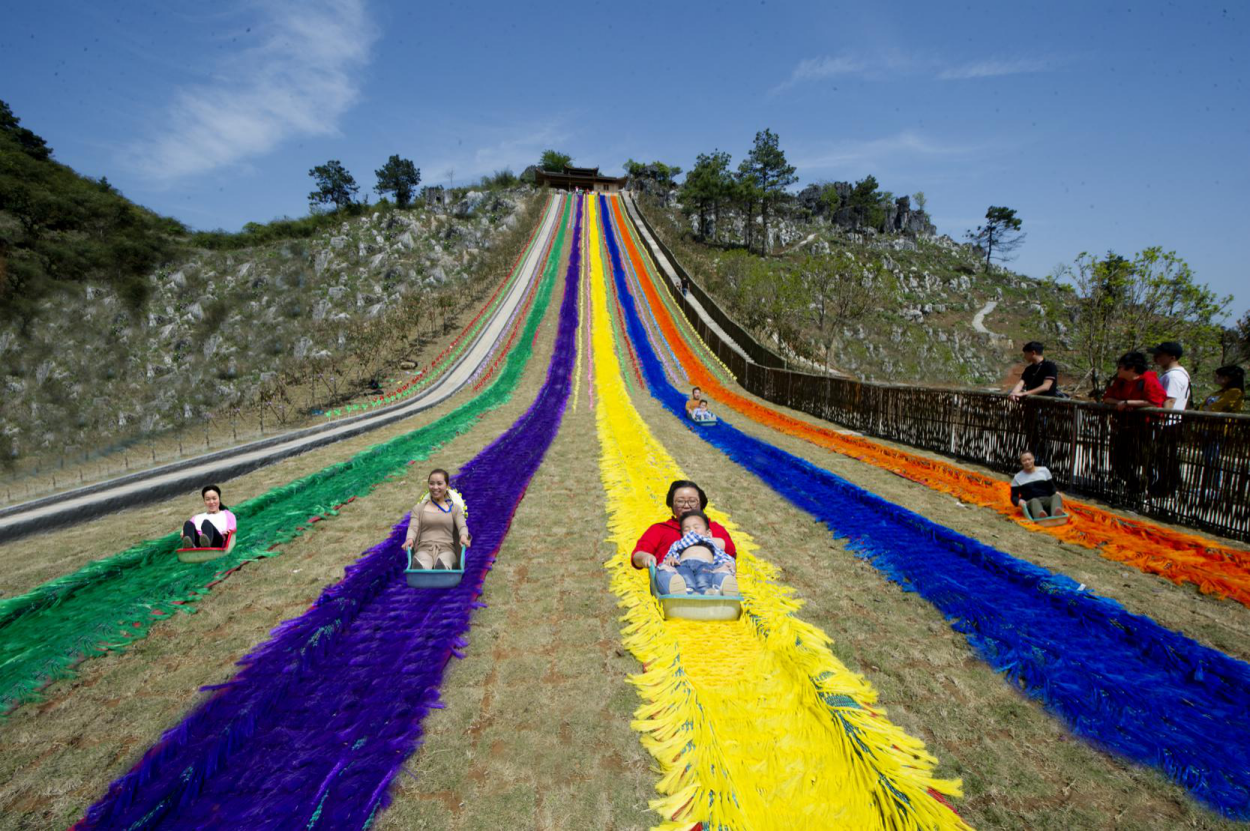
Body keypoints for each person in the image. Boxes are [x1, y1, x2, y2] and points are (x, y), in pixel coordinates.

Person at [632, 480, 737, 570]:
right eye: (680, 501)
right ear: (672, 505)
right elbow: (638, 555)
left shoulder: (713, 527)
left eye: (692, 501)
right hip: (671, 582)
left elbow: (730, 549)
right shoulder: (659, 529)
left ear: (701, 504)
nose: (686, 506)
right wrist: (645, 557)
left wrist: (698, 541)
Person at [1102, 351, 1167, 493]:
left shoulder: (1149, 381)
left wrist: (1128, 402)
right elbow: (1107, 397)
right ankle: (1132, 483)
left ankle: (1144, 487)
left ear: (1131, 368)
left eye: (1120, 366)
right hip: (1123, 426)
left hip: (1144, 427)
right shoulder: (1120, 382)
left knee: (1142, 459)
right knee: (1120, 459)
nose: (1118, 369)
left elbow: (1155, 402)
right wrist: (1121, 402)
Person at [654, 510, 739, 596]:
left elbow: (722, 556)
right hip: (682, 566)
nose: (691, 531)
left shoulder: (711, 543)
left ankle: (713, 591)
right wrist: (670, 559)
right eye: (686, 529)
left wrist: (729, 565)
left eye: (696, 527)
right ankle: (682, 591)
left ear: (708, 533)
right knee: (665, 570)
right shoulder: (679, 543)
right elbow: (671, 555)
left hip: (706, 567)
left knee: (707, 579)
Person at [403, 468, 471, 569]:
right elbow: (413, 527)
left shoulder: (454, 508)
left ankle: (443, 568)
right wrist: (409, 539)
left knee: (444, 561)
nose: (435, 487)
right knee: (422, 561)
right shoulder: (418, 509)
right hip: (424, 549)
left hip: (446, 549)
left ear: (447, 485)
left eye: (439, 483)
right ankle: (421, 568)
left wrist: (463, 536)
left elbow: (462, 526)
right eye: (432, 483)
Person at [1147, 341, 1189, 497]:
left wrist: (1161, 423)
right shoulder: (1177, 374)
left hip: (1167, 423)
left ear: (1172, 357)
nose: (1156, 357)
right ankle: (1167, 485)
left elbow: (1169, 401)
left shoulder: (1174, 376)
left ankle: (1166, 487)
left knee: (1164, 457)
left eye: (1160, 355)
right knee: (1166, 457)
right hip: (1172, 422)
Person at [1010, 452, 1063, 518]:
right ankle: (1040, 516)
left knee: (1056, 496)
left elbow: (1052, 487)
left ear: (1034, 459)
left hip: (1046, 500)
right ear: (1021, 462)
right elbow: (1013, 497)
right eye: (1024, 460)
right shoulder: (1017, 477)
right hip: (1031, 502)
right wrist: (1019, 501)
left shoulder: (1044, 471)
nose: (1027, 462)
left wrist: (1056, 492)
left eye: (1029, 459)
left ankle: (1056, 515)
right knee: (1034, 501)